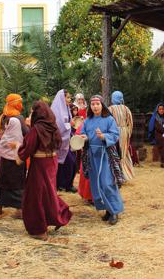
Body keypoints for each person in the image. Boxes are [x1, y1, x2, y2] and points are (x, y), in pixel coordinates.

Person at [18, 101, 72, 241]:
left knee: (34, 196)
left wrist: (19, 155)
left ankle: (39, 230)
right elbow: (59, 143)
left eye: (32, 112)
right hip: (51, 162)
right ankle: (60, 213)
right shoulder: (53, 127)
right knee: (48, 191)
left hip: (40, 164)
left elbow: (27, 147)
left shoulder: (36, 129)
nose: (31, 114)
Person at [80, 95, 124, 225]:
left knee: (107, 184)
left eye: (97, 104)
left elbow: (115, 135)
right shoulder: (87, 121)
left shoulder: (109, 119)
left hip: (105, 156)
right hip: (92, 155)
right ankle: (108, 211)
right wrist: (84, 137)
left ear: (102, 105)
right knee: (97, 185)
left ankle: (115, 211)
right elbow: (84, 134)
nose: (95, 107)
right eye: (92, 104)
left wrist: (103, 136)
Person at [0, 94, 29, 217]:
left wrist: (1, 144)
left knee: (3, 181)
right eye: (19, 102)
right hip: (17, 156)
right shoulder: (19, 118)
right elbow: (27, 134)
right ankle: (20, 209)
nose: (21, 105)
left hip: (4, 155)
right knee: (18, 183)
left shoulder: (4, 116)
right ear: (15, 104)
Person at [51, 89, 76, 193]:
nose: (69, 100)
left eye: (70, 97)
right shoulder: (56, 110)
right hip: (59, 141)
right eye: (68, 97)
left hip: (67, 140)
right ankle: (59, 184)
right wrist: (69, 125)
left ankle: (67, 184)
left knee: (71, 162)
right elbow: (59, 126)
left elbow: (67, 122)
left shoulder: (66, 109)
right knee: (62, 163)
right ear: (62, 98)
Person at [108, 90, 134, 181]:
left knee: (114, 153)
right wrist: (127, 133)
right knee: (124, 153)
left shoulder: (110, 109)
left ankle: (116, 175)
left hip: (113, 133)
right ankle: (125, 175)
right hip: (124, 132)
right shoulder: (126, 109)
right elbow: (130, 123)